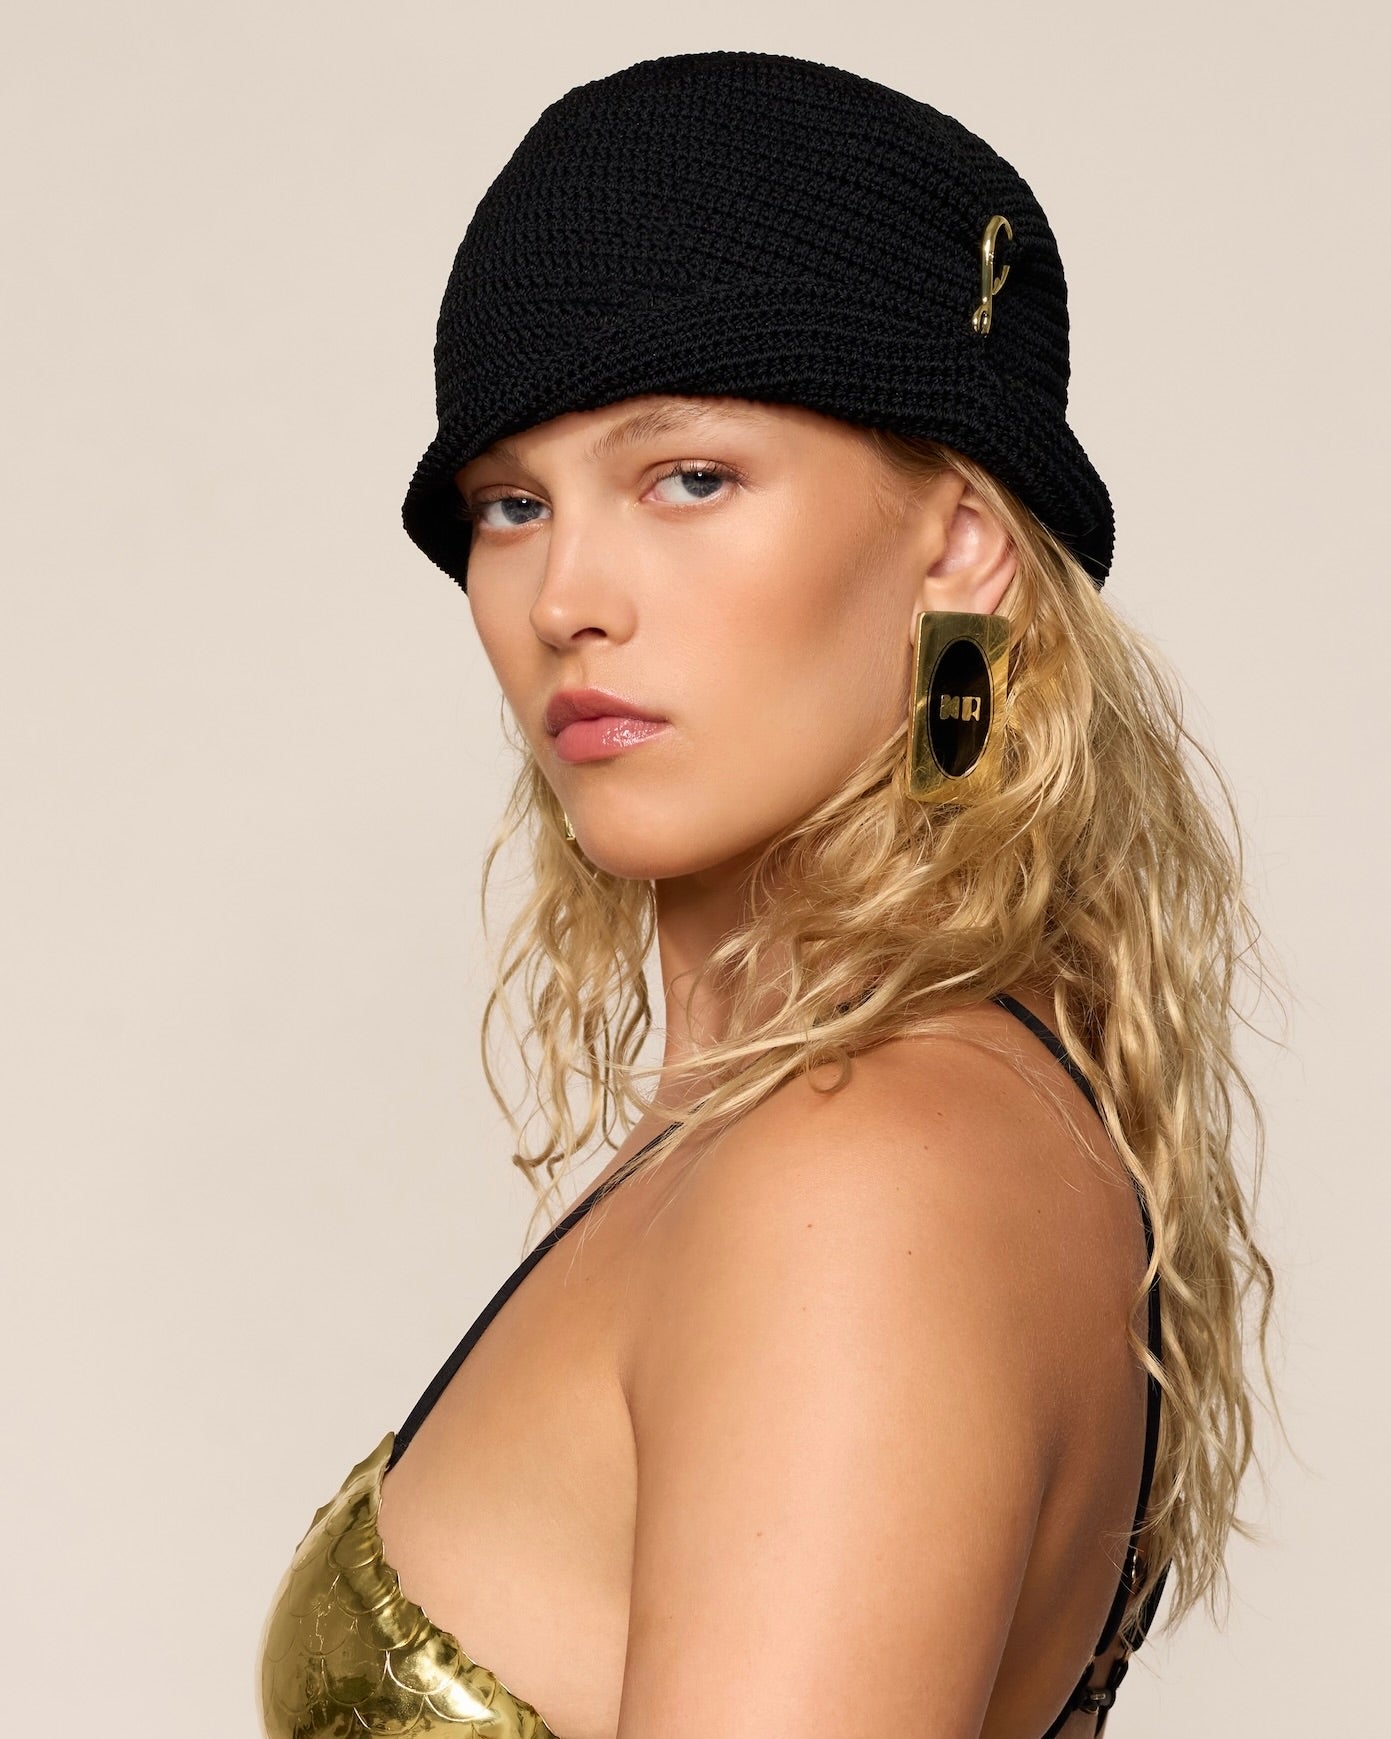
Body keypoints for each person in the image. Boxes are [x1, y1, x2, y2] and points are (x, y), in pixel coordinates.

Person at [258, 49, 1274, 1739]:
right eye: (511, 504)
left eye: (689, 478)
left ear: (959, 544)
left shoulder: (857, 1170)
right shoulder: (864, 1108)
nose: (564, 595)